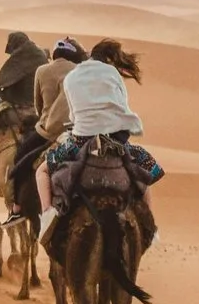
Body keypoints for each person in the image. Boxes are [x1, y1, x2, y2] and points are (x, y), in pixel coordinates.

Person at [39, 39, 163, 247]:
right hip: (117, 139)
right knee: (146, 171)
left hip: (80, 140)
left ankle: (47, 216)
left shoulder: (72, 76)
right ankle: (150, 225)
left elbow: (72, 114)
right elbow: (122, 105)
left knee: (42, 171)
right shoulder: (113, 74)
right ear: (108, 58)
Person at [9, 36, 86, 222]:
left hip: (46, 132)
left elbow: (38, 104)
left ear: (54, 54)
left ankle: (17, 207)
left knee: (20, 159)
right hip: (77, 131)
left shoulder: (42, 70)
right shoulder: (79, 71)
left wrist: (47, 117)